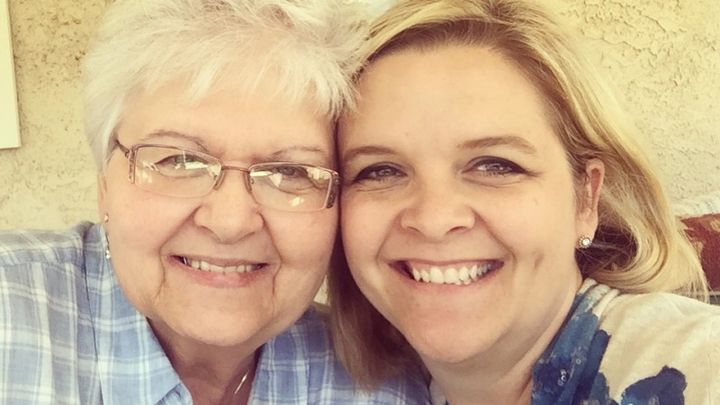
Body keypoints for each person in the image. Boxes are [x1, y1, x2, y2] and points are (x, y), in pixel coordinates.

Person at [0, 0, 430, 404]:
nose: (230, 222)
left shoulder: (378, 386)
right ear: (104, 186)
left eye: (289, 172)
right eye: (179, 161)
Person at [329, 0, 720, 404]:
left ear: (586, 199)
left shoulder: (695, 366)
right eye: (380, 171)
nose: (433, 219)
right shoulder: (364, 386)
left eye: (495, 166)